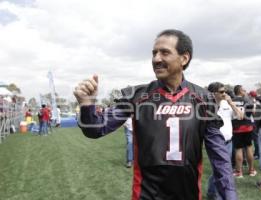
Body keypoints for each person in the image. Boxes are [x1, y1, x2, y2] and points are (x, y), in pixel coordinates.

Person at [73, 29, 237, 200]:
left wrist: (230, 195)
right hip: (147, 195)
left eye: (164, 52)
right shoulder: (137, 96)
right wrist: (87, 105)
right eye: (154, 53)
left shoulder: (203, 99)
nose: (156, 59)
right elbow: (95, 130)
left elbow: (219, 156)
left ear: (184, 58)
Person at [207, 82, 243, 200]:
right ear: (213, 93)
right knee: (223, 170)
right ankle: (218, 196)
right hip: (216, 143)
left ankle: (211, 192)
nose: (224, 94)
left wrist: (231, 103)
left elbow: (240, 116)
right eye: (222, 92)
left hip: (228, 141)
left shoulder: (226, 103)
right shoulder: (207, 106)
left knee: (220, 169)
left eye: (225, 91)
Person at [232, 85, 257, 178]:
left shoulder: (231, 101)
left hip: (236, 127)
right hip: (247, 126)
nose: (245, 91)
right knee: (249, 148)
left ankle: (239, 171)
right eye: (244, 90)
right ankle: (251, 170)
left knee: (238, 149)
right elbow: (251, 113)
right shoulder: (247, 100)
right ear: (240, 91)